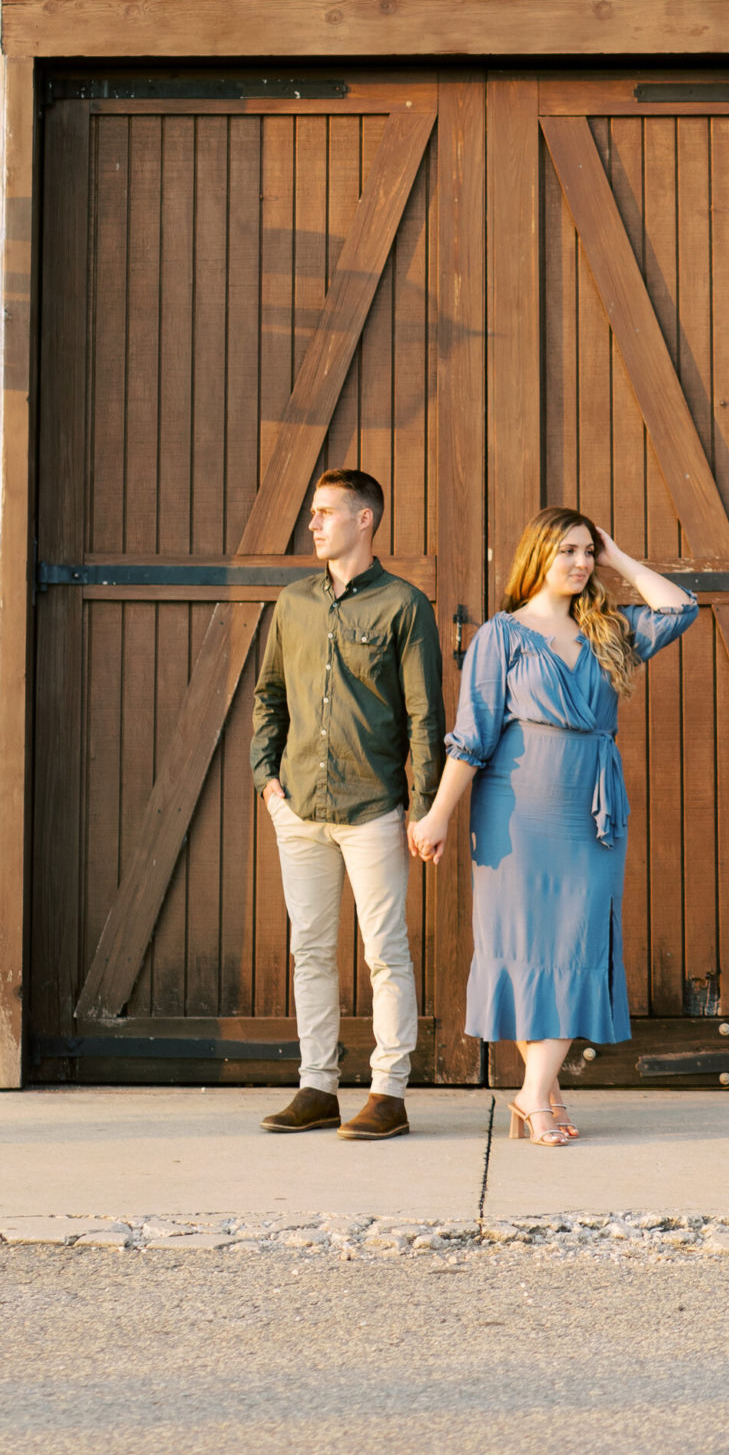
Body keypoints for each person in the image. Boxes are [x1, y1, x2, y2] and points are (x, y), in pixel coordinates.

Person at [408, 508, 696, 1146]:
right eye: (568, 550)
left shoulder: (607, 629)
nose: (581, 562)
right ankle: (544, 1093)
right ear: (537, 554)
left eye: (588, 552)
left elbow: (680, 610)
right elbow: (472, 736)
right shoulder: (500, 636)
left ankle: (533, 1093)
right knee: (524, 946)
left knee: (576, 939)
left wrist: (622, 558)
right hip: (516, 806)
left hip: (588, 808)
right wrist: (437, 814)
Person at [251, 468, 444, 1140]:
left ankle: (388, 1093)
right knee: (310, 950)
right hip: (299, 806)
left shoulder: (404, 606)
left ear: (365, 519)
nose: (313, 523)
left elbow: (424, 715)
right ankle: (316, 1087)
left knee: (384, 952)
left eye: (326, 512)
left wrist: (423, 808)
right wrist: (266, 778)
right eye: (312, 513)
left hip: (373, 810)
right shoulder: (293, 603)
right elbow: (269, 695)